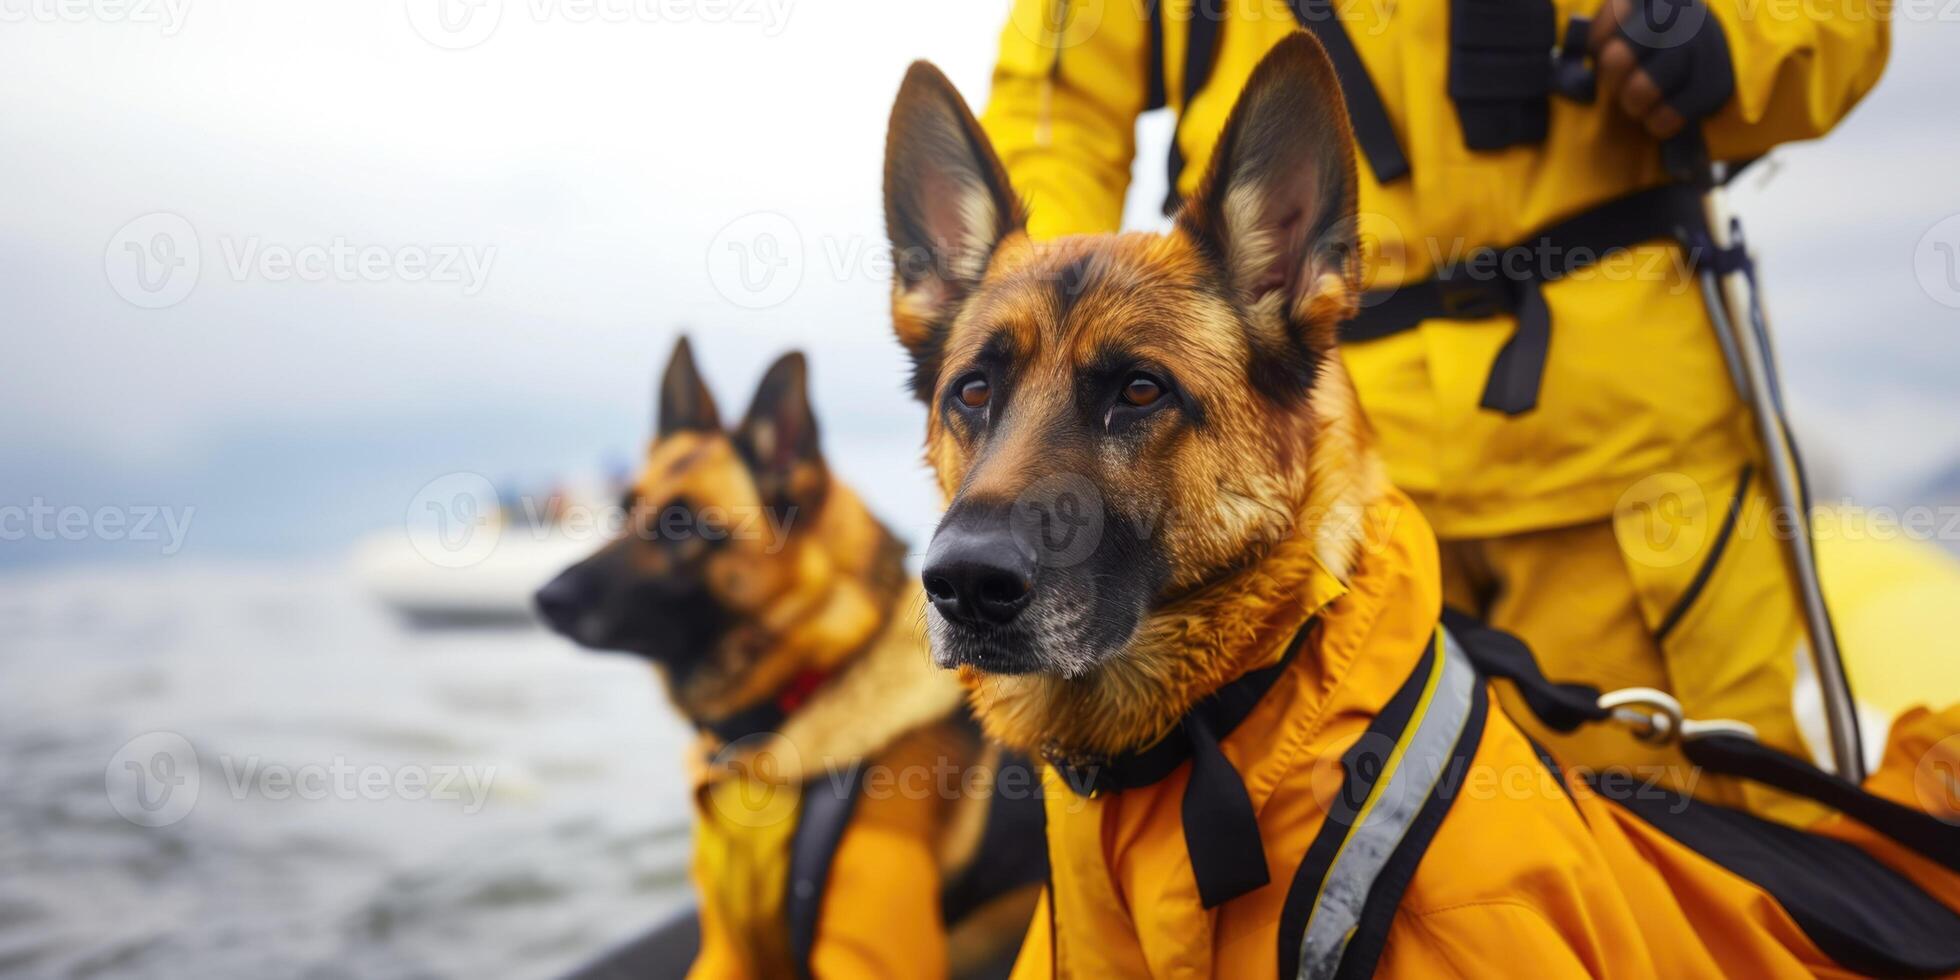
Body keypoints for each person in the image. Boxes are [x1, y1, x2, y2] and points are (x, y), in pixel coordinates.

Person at [977, 0, 1889, 822]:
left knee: (1707, 867)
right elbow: (1055, 109)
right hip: (1336, 501)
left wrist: (1733, 36)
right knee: (1344, 894)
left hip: (1624, 471)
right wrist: (1034, 333)